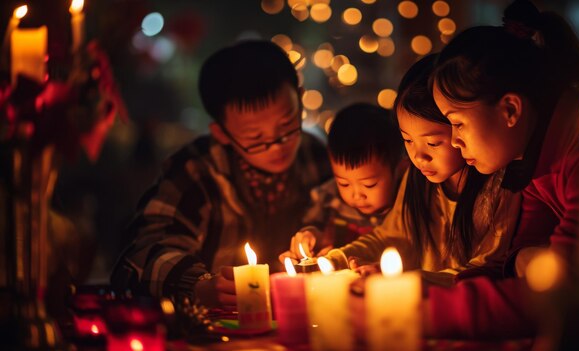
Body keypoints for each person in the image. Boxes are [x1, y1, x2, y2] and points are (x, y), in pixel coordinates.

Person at [425, 0, 579, 340]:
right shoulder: (536, 152)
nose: (454, 141)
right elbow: (519, 256)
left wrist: (422, 310)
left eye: (458, 123)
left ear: (510, 109)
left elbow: (562, 294)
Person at [110, 40, 332, 307]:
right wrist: (198, 285)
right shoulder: (195, 172)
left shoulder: (314, 154)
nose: (278, 146)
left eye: (288, 124)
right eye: (255, 138)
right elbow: (140, 258)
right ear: (222, 134)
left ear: (299, 96)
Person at [286, 54, 521, 287]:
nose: (419, 156)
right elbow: (390, 236)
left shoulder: (500, 186)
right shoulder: (417, 179)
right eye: (408, 141)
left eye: (432, 143)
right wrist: (334, 260)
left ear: (459, 126)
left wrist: (412, 280)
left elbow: (486, 269)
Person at [279, 103, 407, 264]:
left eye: (369, 185)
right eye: (344, 183)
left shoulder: (406, 205)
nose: (356, 195)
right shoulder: (328, 198)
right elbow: (314, 225)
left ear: (400, 169)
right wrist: (310, 236)